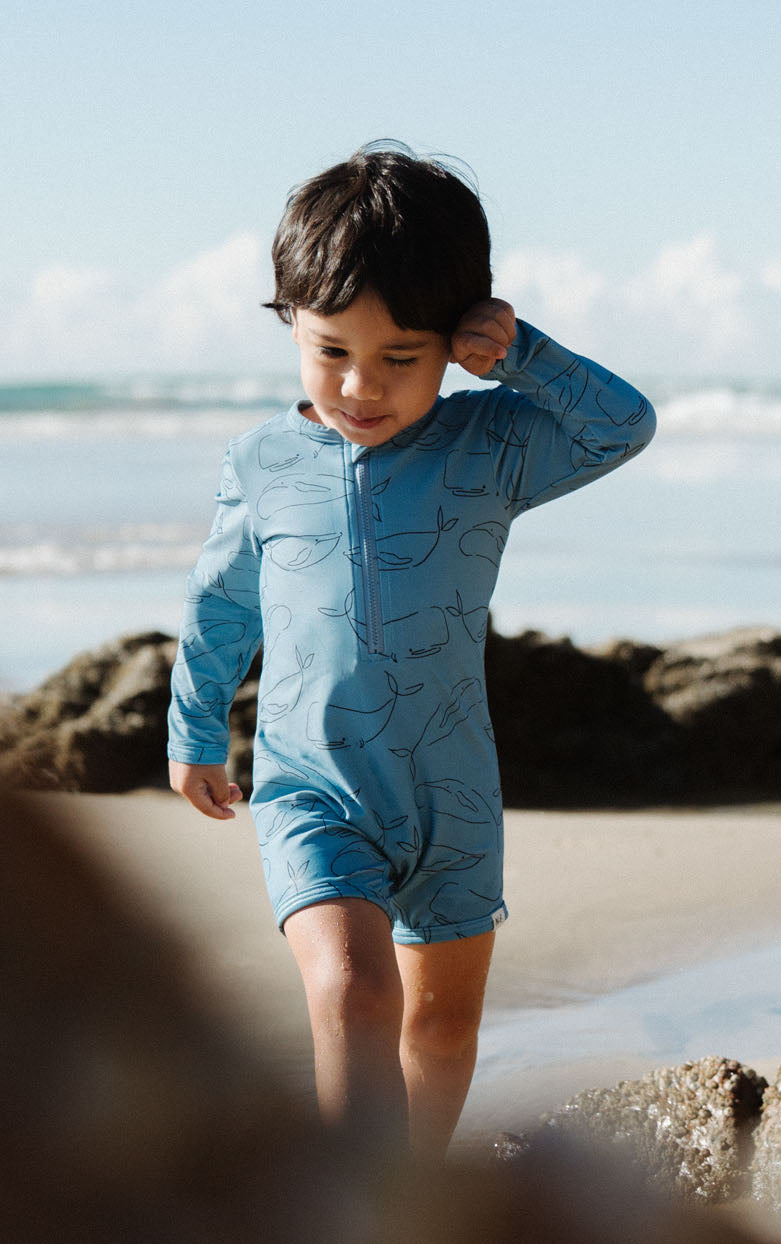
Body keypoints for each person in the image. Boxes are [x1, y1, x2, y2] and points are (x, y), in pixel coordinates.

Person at [167, 143, 654, 1156]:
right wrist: (196, 728)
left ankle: (412, 1197)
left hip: (452, 795)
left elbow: (622, 425)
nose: (360, 385)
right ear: (289, 321)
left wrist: (521, 354)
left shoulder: (492, 445)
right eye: (330, 349)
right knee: (354, 993)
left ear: (454, 343)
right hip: (313, 786)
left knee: (440, 1028)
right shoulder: (262, 462)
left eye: (401, 357)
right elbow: (222, 602)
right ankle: (357, 1214)